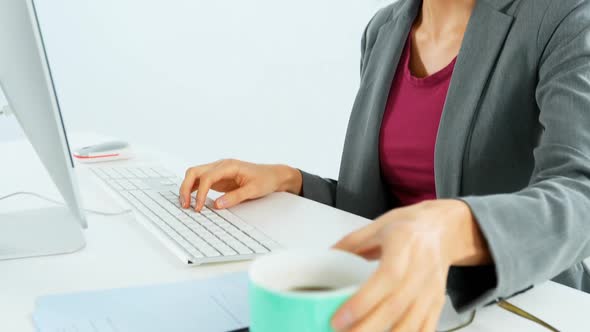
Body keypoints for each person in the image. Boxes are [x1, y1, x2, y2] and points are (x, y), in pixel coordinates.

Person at [179, 0, 590, 330]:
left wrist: (453, 227)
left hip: (519, 306)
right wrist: (295, 183)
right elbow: (380, 209)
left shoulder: (565, 18)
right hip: (389, 298)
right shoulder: (384, 29)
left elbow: (580, 194)